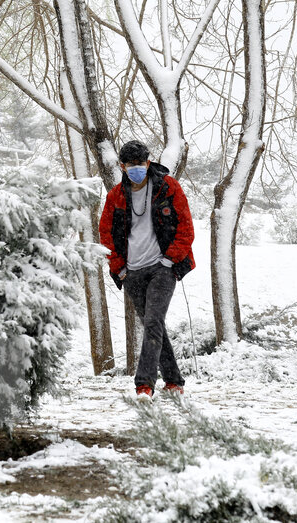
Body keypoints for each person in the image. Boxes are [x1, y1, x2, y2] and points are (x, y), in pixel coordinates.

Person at [98, 140, 195, 401]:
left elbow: (186, 227)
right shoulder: (115, 196)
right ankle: (174, 381)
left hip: (162, 267)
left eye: (140, 164)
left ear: (148, 162)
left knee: (152, 322)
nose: (136, 169)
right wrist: (119, 268)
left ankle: (144, 385)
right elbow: (106, 234)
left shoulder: (167, 187)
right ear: (122, 166)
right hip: (132, 272)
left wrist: (170, 260)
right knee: (154, 324)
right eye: (131, 165)